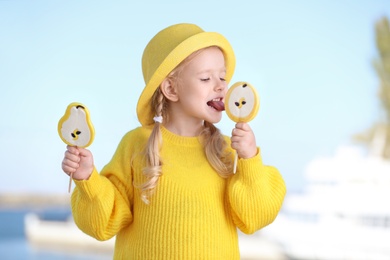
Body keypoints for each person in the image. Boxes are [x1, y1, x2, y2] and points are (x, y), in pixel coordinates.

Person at [61, 23, 286, 259]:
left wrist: (249, 160)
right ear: (171, 88)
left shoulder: (229, 151)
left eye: (223, 76)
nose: (221, 85)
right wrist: (87, 179)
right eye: (206, 78)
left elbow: (256, 217)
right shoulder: (136, 144)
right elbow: (103, 224)